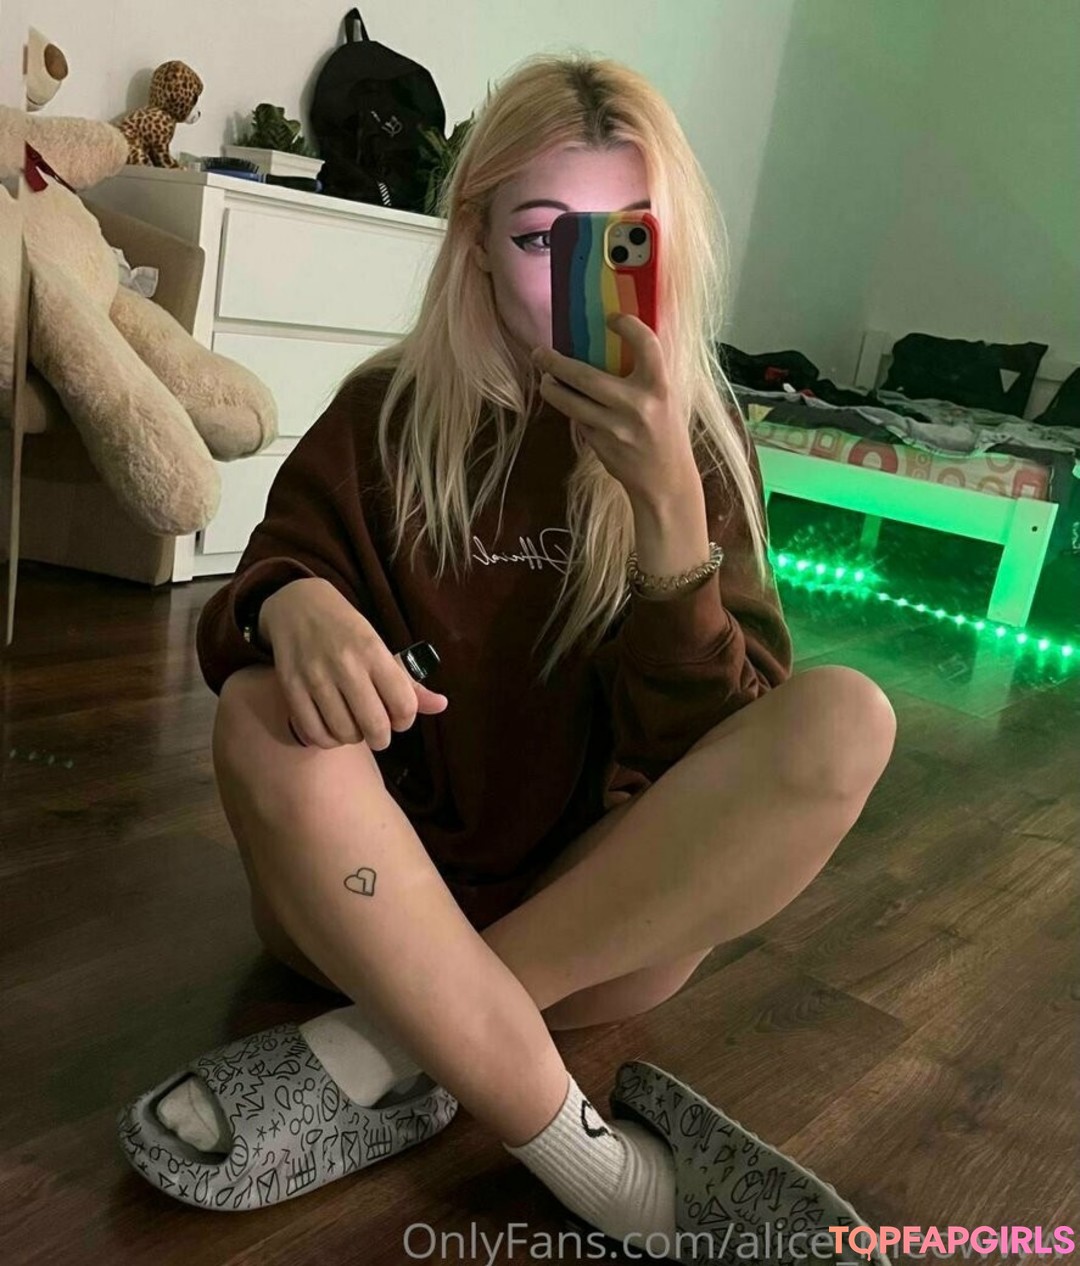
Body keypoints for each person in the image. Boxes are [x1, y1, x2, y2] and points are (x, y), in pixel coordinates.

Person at [131, 51, 896, 1248]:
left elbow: (719, 755)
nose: (583, 279)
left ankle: (401, 1039)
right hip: (362, 913)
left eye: (623, 240)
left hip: (590, 932)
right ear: (477, 242)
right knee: (258, 714)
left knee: (848, 718)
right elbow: (259, 589)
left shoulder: (701, 443)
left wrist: (668, 523)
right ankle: (603, 1170)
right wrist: (291, 607)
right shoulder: (383, 414)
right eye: (542, 237)